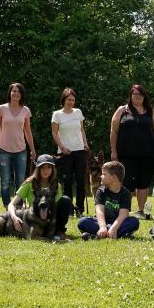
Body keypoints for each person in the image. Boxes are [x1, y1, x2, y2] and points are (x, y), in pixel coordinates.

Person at [110, 84, 154, 218]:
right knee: (126, 183)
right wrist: (113, 151)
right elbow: (114, 131)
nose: (138, 97)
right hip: (126, 155)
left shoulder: (151, 111)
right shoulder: (122, 110)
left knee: (143, 183)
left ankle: (141, 211)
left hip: (148, 154)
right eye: (135, 95)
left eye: (140, 95)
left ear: (144, 97)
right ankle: (125, 211)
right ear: (130, 96)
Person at [7, 154, 72, 240]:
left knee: (65, 200)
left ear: (53, 169)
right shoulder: (29, 183)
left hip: (50, 218)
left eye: (49, 167)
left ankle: (59, 230)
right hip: (34, 218)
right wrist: (14, 217)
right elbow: (11, 204)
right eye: (43, 167)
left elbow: (56, 206)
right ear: (38, 169)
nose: (46, 171)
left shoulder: (56, 185)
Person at [0, 82, 36, 208]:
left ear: (22, 95)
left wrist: (32, 149)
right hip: (3, 150)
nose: (16, 93)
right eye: (14, 91)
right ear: (10, 93)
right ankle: (8, 206)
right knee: (5, 181)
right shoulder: (1, 109)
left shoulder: (25, 110)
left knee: (20, 181)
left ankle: (18, 206)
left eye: (19, 91)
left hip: (21, 150)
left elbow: (28, 131)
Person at [51, 88, 90, 217]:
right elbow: (54, 133)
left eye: (73, 100)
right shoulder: (57, 114)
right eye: (69, 99)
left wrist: (85, 143)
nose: (71, 102)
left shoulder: (78, 112)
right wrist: (62, 147)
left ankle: (80, 209)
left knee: (80, 180)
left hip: (80, 150)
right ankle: (68, 209)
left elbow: (82, 130)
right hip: (65, 152)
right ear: (64, 100)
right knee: (67, 181)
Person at [77, 161, 139, 240]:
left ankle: (97, 235)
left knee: (134, 222)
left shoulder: (125, 193)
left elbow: (123, 215)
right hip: (101, 222)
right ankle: (118, 234)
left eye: (104, 174)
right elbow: (99, 211)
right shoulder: (101, 191)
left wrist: (114, 228)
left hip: (117, 223)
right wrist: (103, 227)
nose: (101, 176)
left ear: (114, 178)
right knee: (82, 222)